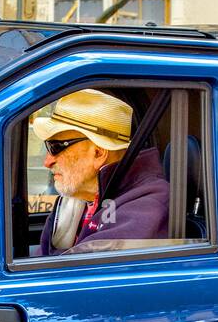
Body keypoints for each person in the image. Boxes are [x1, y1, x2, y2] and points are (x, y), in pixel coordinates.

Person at [33, 89, 171, 256]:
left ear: (98, 153)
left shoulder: (147, 207)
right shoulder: (76, 200)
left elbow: (78, 276)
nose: (47, 162)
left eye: (56, 147)